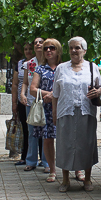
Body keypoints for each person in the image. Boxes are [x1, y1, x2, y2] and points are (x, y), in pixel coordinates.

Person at [52, 37, 101, 192]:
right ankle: (65, 180)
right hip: (65, 111)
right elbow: (55, 94)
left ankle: (87, 179)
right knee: (65, 145)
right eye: (71, 48)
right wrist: (55, 113)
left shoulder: (91, 67)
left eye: (77, 48)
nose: (74, 51)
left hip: (86, 111)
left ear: (84, 50)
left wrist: (98, 91)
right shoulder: (61, 68)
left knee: (86, 144)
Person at [30, 38, 62, 183]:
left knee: (67, 139)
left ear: (58, 50)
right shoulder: (40, 69)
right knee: (48, 140)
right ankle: (52, 170)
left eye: (52, 48)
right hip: (46, 109)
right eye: (46, 48)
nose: (48, 50)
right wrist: (48, 95)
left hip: (62, 107)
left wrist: (54, 95)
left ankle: (76, 169)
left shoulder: (65, 67)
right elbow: (32, 89)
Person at [21, 37, 49, 172]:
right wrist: (22, 94)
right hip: (32, 102)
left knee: (46, 132)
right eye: (35, 43)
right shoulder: (29, 64)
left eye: (41, 42)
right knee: (32, 132)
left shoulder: (50, 61)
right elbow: (25, 82)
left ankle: (46, 162)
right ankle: (31, 161)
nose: (38, 44)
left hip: (47, 101)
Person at [12, 41, 35, 165]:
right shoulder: (20, 64)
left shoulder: (39, 63)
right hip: (23, 101)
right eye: (25, 49)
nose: (28, 51)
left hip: (35, 100)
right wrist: (14, 103)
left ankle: (42, 158)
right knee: (25, 130)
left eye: (30, 49)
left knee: (38, 129)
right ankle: (25, 155)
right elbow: (15, 84)